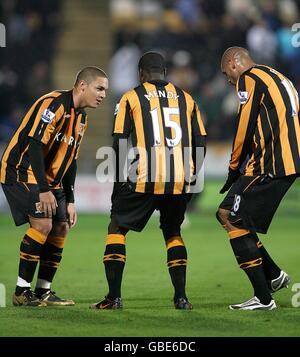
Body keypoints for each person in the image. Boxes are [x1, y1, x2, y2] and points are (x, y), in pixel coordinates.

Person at [90, 52, 206, 310]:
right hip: (178, 179)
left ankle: (113, 298)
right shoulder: (188, 99)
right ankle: (181, 298)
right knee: (173, 232)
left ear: (141, 73)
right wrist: (191, 177)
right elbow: (200, 142)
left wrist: (119, 181)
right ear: (164, 72)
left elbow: (120, 140)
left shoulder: (131, 97)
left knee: (117, 227)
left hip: (144, 178)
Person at [0, 66, 108, 306]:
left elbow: (71, 160)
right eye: (99, 88)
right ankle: (21, 291)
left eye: (105, 90)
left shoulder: (82, 118)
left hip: (49, 179)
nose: (103, 95)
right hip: (20, 170)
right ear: (82, 86)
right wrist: (44, 190)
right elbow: (35, 145)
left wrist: (70, 200)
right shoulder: (54, 103)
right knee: (43, 223)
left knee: (61, 227)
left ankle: (43, 291)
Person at [216, 47, 300, 310]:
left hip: (269, 164)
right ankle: (273, 274)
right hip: (285, 160)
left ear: (233, 63)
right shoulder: (278, 76)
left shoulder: (248, 78)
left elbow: (245, 124)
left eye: (225, 73)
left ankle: (263, 299)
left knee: (230, 216)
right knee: (228, 214)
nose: (228, 80)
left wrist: (233, 167)